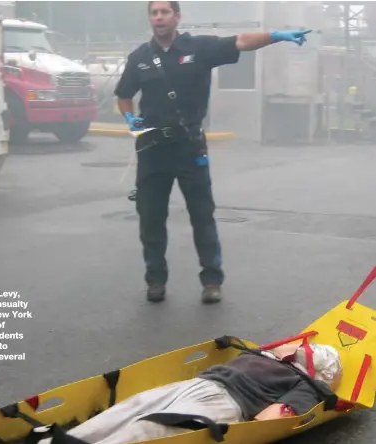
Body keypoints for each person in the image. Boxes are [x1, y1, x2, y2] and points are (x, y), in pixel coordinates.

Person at [114, 1, 312, 303]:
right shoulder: (140, 58)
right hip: (152, 148)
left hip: (188, 145)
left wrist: (276, 35)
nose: (159, 17)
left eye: (165, 12)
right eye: (154, 13)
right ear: (150, 19)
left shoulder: (199, 48)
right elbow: (124, 95)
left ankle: (212, 281)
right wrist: (129, 118)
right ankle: (155, 280)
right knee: (151, 218)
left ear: (176, 17)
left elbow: (241, 42)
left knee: (202, 214)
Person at [35, 342, 342, 444]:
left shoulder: (310, 385)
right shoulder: (264, 355)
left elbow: (272, 418)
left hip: (223, 401)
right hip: (199, 387)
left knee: (146, 427)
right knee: (125, 414)